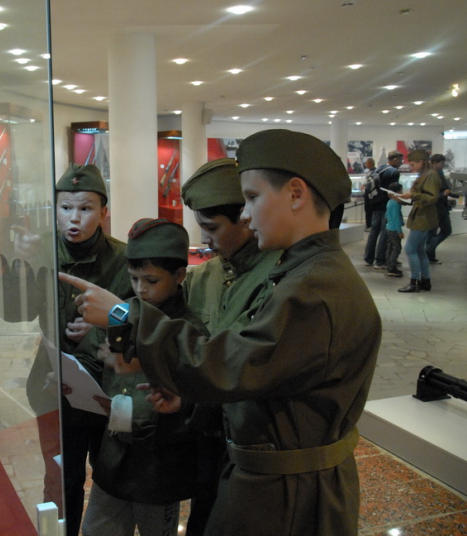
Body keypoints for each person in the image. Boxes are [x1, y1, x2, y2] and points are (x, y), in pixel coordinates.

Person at [60, 129, 382, 536]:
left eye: (253, 197)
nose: (245, 215)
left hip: (290, 496)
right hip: (266, 479)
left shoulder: (313, 290)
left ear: (296, 194)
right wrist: (189, 398)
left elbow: (231, 365)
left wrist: (123, 314)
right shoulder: (305, 275)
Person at [0, 163, 133, 536]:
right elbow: (14, 312)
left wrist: (104, 325)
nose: (74, 218)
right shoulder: (40, 250)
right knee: (60, 477)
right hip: (54, 384)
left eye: (86, 208)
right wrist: (20, 263)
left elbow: (139, 316)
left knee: (110, 477)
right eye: (66, 207)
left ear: (103, 212)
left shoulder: (122, 258)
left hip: (107, 386)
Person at [79, 218, 209, 536]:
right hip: (113, 461)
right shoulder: (120, 314)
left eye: (151, 280)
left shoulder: (188, 332)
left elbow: (200, 398)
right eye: (134, 278)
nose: (140, 289)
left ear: (179, 275)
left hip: (160, 467)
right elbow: (90, 356)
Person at [179, 158, 282, 535]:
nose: (205, 239)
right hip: (204, 429)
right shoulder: (204, 276)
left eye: (212, 228)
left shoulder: (279, 278)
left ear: (245, 218)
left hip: (250, 442)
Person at [392, 150, 441, 293]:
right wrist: (406, 197)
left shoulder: (430, 175)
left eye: (413, 164)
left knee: (410, 249)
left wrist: (412, 195)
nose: (411, 167)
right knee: (420, 250)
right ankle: (425, 281)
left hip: (423, 216)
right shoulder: (427, 174)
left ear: (421, 162)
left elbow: (432, 197)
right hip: (422, 215)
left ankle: (415, 282)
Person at [364, 150, 403, 268]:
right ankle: (380, 260)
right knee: (384, 232)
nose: (401, 162)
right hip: (386, 205)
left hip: (375, 204)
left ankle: (368, 258)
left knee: (374, 231)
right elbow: (393, 190)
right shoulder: (394, 172)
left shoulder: (379, 168)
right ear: (395, 159)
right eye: (400, 160)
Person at [425, 154, 452, 263]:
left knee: (441, 231)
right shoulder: (430, 175)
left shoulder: (439, 173)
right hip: (435, 207)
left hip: (441, 206)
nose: (443, 165)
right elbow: (429, 194)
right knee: (434, 231)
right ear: (434, 162)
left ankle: (429, 252)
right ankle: (429, 252)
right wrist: (443, 195)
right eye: (441, 163)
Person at [384, 181, 405, 278]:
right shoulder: (396, 204)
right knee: (397, 248)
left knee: (390, 247)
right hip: (394, 229)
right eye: (401, 191)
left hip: (389, 227)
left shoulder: (390, 202)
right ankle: (392, 268)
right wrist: (400, 231)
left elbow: (387, 215)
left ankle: (389, 265)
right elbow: (396, 219)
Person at [360, 157, 377, 230]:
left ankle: (370, 225)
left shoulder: (374, 173)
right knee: (368, 210)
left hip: (370, 194)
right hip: (369, 194)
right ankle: (369, 224)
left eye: (366, 163)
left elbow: (369, 183)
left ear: (370, 164)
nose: (365, 164)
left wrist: (365, 186)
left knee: (369, 210)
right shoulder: (370, 172)